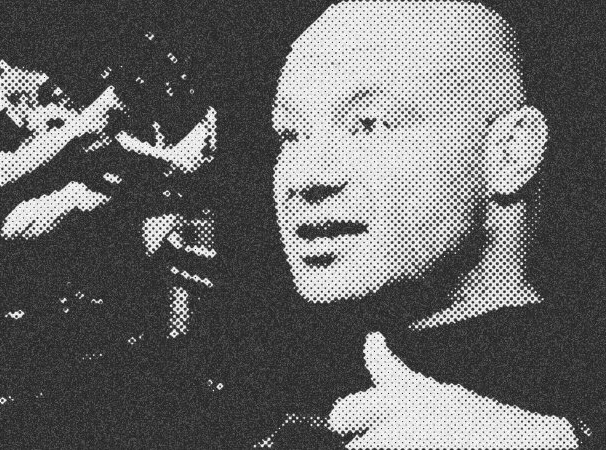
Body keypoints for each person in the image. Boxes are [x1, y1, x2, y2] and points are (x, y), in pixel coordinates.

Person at [236, 1, 603, 447]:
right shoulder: (268, 386)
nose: (306, 177)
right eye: (291, 134)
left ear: (511, 153)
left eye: (369, 124)